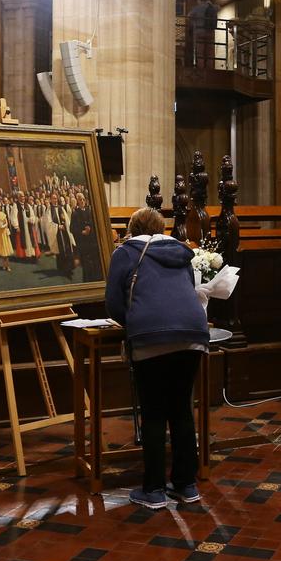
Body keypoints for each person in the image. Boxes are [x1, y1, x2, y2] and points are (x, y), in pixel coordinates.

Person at [105, 207, 210, 509]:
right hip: (192, 332)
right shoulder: (181, 251)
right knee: (180, 409)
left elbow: (113, 304)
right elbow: (187, 289)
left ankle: (153, 490)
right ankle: (186, 485)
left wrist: (135, 321)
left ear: (132, 228)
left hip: (152, 338)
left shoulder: (126, 253)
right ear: (161, 227)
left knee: (153, 412)